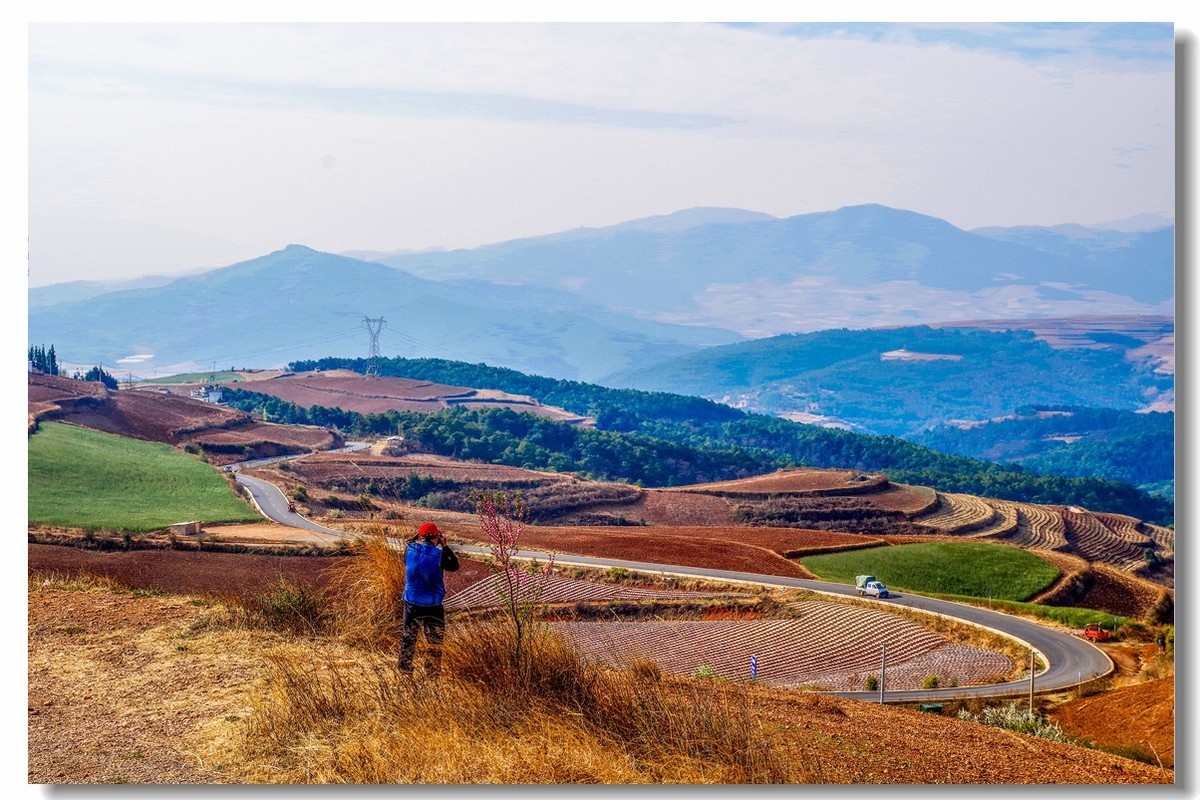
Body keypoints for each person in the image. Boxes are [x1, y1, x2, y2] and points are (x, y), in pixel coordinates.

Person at [399, 521, 459, 675]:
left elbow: (409, 547)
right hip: (433, 605)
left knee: (408, 638)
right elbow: (454, 566)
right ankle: (432, 674)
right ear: (436, 538)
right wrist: (445, 547)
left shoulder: (409, 550)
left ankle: (405, 671)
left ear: (420, 536)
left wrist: (415, 538)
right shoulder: (439, 556)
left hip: (411, 602)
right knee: (435, 642)